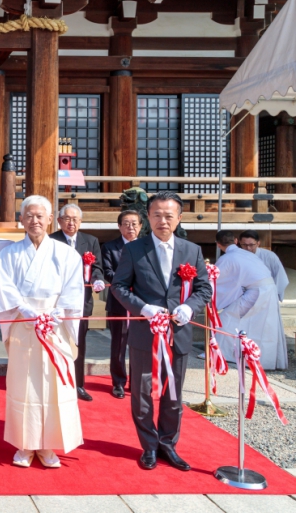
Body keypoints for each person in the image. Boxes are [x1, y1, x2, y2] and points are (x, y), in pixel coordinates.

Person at [111, 191, 211, 472]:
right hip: (146, 334)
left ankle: (169, 444)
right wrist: (143, 308)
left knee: (174, 395)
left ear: (179, 218)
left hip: (178, 334)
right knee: (141, 393)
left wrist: (190, 308)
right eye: (156, 215)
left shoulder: (192, 251)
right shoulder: (134, 249)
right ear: (148, 217)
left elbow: (204, 288)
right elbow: (119, 287)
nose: (162, 221)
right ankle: (149, 446)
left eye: (169, 215)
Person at [0, 195, 84, 469]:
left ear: (49, 219)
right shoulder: (8, 254)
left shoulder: (66, 253)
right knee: (25, 385)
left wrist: (58, 313)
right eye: (29, 215)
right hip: (23, 323)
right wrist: (25, 309)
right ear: (21, 220)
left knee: (54, 384)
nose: (35, 221)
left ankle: (47, 445)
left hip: (55, 324)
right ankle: (25, 444)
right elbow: (4, 288)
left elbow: (74, 290)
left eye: (40, 216)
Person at [49, 203, 105, 402]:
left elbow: (97, 267)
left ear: (80, 221)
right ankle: (56, 382)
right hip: (56, 303)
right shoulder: (51, 240)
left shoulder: (90, 241)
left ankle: (78, 384)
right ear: (59, 220)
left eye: (75, 219)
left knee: (78, 342)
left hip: (81, 302)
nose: (71, 223)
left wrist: (98, 279)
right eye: (67, 219)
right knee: (56, 341)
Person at [214, 230, 287, 370]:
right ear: (236, 241)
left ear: (218, 245)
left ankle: (222, 353)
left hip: (258, 291)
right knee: (259, 325)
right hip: (265, 290)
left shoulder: (227, 259)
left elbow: (220, 282)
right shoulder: (245, 254)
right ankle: (255, 357)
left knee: (227, 317)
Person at [101, 210, 142, 399]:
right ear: (119, 226)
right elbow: (107, 272)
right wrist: (127, 284)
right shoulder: (110, 247)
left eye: (134, 223)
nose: (130, 227)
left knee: (140, 344)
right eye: (126, 223)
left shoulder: (147, 246)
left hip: (142, 304)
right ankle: (118, 382)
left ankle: (137, 382)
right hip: (119, 302)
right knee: (118, 344)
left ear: (141, 226)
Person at [238, 230, 290, 302]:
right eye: (244, 245)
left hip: (267, 296)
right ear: (239, 243)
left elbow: (281, 277)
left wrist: (274, 295)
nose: (248, 248)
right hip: (244, 297)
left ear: (258, 243)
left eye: (251, 245)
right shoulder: (237, 257)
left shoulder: (269, 256)